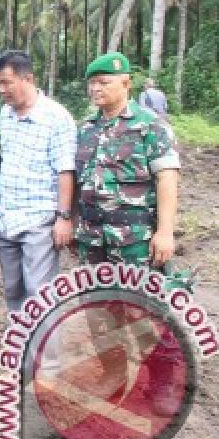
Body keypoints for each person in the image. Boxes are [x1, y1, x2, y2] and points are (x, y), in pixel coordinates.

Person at [75, 52, 183, 412]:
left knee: (146, 312)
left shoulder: (150, 125)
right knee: (100, 310)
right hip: (93, 239)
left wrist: (165, 233)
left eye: (103, 82)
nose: (96, 88)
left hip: (136, 240)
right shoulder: (87, 128)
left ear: (126, 83)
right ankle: (114, 372)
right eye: (92, 82)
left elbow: (167, 179)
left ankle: (164, 382)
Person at [0, 49, 76, 314]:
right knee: (13, 289)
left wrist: (63, 217)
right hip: (7, 217)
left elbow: (65, 171)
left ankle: (45, 355)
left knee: (39, 292)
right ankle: (22, 351)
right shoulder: (6, 114)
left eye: (7, 82)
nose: (1, 89)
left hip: (39, 219)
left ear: (28, 79)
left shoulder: (56, 117)